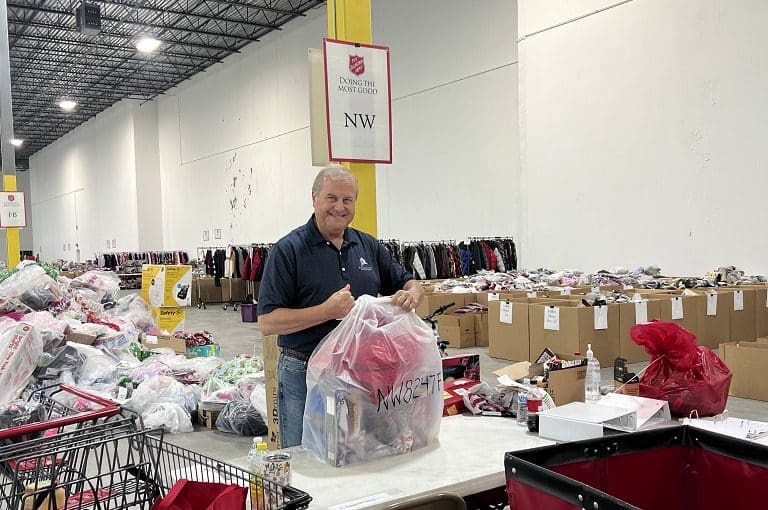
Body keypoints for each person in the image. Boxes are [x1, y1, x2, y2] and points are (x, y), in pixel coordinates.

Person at [258, 164, 425, 448]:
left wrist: (412, 294)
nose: (340, 207)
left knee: (358, 451)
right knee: (303, 453)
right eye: (331, 198)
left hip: (360, 369)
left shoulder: (368, 246)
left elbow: (410, 283)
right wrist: (327, 311)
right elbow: (268, 322)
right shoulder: (288, 251)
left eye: (347, 200)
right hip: (304, 370)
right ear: (314, 200)